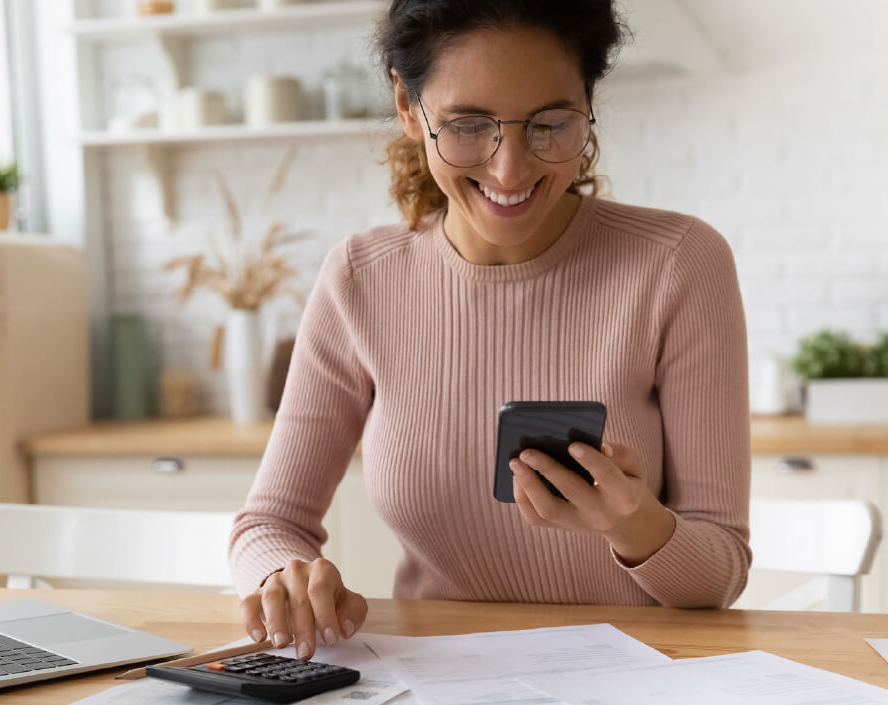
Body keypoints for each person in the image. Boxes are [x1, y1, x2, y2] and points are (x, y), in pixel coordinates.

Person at [228, 0, 751, 660]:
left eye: (549, 124)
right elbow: (269, 523)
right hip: (437, 676)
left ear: (588, 104)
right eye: (468, 125)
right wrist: (283, 575)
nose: (509, 170)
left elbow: (719, 572)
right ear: (407, 105)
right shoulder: (361, 278)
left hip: (634, 675)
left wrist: (634, 522)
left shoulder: (676, 262)